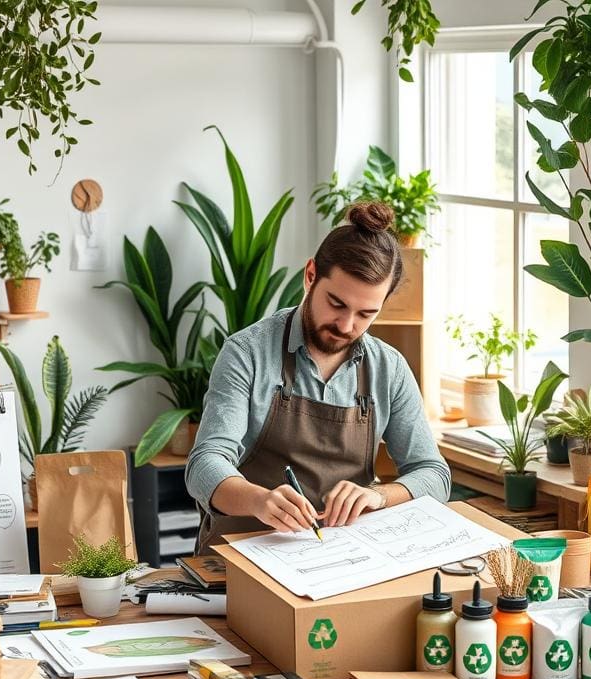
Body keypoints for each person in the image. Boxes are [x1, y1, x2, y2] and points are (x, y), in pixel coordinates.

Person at [185, 201, 451, 553]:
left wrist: (378, 496)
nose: (346, 326)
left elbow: (434, 474)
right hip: (244, 553)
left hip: (341, 559)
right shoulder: (246, 353)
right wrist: (258, 501)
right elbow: (204, 464)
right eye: (337, 304)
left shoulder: (389, 368)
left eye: (366, 314)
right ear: (310, 275)